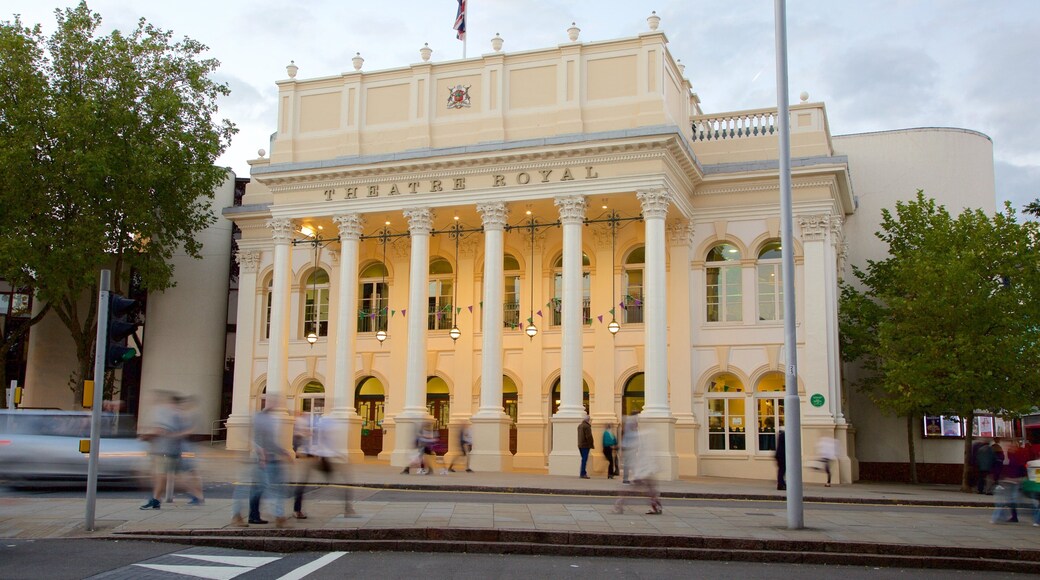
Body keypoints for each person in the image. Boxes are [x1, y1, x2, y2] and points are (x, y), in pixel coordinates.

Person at [140, 392, 203, 509]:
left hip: (164, 450)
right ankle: (197, 495)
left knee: (161, 476)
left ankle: (156, 500)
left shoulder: (165, 412)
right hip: (172, 450)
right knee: (170, 476)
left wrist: (146, 436)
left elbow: (161, 430)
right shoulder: (178, 414)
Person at [293, 415, 352, 519]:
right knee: (339, 481)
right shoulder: (321, 423)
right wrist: (337, 454)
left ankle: (297, 510)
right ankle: (348, 508)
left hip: (316, 456)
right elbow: (325, 442)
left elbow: (325, 442)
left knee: (303, 483)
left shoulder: (319, 422)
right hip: (314, 456)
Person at [251, 401, 292, 527]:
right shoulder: (261, 420)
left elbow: (270, 442)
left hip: (270, 459)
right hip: (266, 460)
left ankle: (254, 515)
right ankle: (278, 516)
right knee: (272, 489)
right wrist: (263, 456)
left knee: (263, 488)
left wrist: (283, 452)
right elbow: (258, 440)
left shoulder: (268, 420)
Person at [612, 424, 661, 515]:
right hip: (647, 468)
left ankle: (619, 505)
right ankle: (656, 506)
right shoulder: (648, 434)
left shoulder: (640, 435)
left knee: (633, 488)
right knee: (650, 488)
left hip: (643, 468)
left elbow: (630, 447)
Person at [992, 439, 1027, 524]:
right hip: (1010, 480)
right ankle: (1013, 516)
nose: (1010, 448)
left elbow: (1019, 468)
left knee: (1011, 499)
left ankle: (1010, 516)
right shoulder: (1011, 455)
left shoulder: (1016, 456)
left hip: (1014, 480)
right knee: (1011, 499)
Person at [620, 414, 638, 484]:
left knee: (629, 464)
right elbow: (630, 436)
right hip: (629, 447)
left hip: (628, 447)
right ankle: (631, 478)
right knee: (630, 464)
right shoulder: (630, 423)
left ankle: (627, 478)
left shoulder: (629, 423)